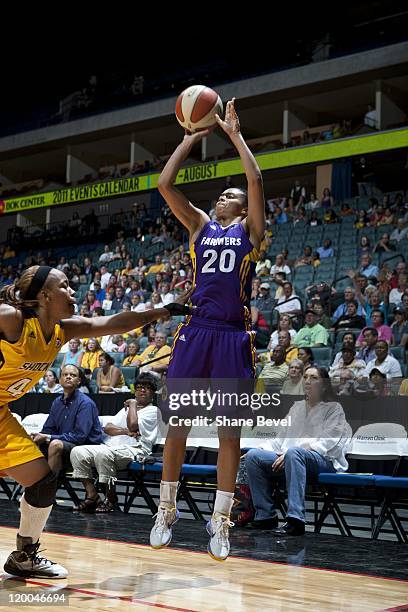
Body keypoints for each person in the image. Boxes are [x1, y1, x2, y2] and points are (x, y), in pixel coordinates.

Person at [0, 265, 191, 579]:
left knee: (43, 482)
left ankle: (24, 555)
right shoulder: (12, 319)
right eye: (65, 286)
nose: (73, 291)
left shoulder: (64, 330)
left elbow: (113, 323)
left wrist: (161, 312)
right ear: (45, 295)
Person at [149, 98, 265, 561]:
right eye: (221, 194)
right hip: (195, 331)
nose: (223, 195)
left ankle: (220, 521)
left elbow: (255, 179)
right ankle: (167, 509)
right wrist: (190, 138)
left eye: (229, 196)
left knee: (228, 434)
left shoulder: (250, 234)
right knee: (177, 426)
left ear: (242, 208)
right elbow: (163, 184)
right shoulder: (199, 226)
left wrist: (234, 134)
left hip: (232, 336)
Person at [245, 367, 351, 534]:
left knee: (294, 453)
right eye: (306, 377)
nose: (307, 381)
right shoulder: (296, 407)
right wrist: (260, 448)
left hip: (322, 461)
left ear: (323, 385)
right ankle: (266, 516)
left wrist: (290, 453)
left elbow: (328, 442)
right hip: (290, 459)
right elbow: (279, 439)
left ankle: (296, 519)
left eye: (313, 378)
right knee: (253, 457)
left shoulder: (333, 408)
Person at [71, 373, 158, 513]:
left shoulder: (153, 411)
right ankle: (92, 495)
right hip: (112, 446)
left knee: (103, 454)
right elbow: (108, 428)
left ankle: (111, 498)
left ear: (153, 393)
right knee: (77, 452)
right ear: (134, 390)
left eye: (147, 388)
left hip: (136, 449)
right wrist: (125, 431)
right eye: (140, 387)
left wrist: (133, 405)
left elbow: (133, 426)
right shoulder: (126, 409)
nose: (142, 390)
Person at [32, 364, 103, 473]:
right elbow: (48, 429)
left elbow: (80, 436)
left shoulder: (85, 403)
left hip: (84, 447)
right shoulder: (57, 402)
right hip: (64, 443)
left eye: (72, 375)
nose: (68, 377)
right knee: (32, 443)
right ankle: (31, 487)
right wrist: (39, 437)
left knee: (55, 444)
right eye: (65, 374)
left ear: (78, 381)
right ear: (60, 380)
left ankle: (49, 486)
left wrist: (47, 437)